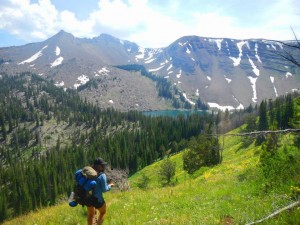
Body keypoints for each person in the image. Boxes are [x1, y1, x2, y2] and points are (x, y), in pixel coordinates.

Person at [87, 157, 114, 225]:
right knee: (103, 213)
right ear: (100, 166)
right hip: (97, 199)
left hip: (88, 198)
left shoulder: (88, 173)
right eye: (103, 165)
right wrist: (110, 185)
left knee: (91, 214)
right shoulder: (102, 175)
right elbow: (104, 189)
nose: (104, 166)